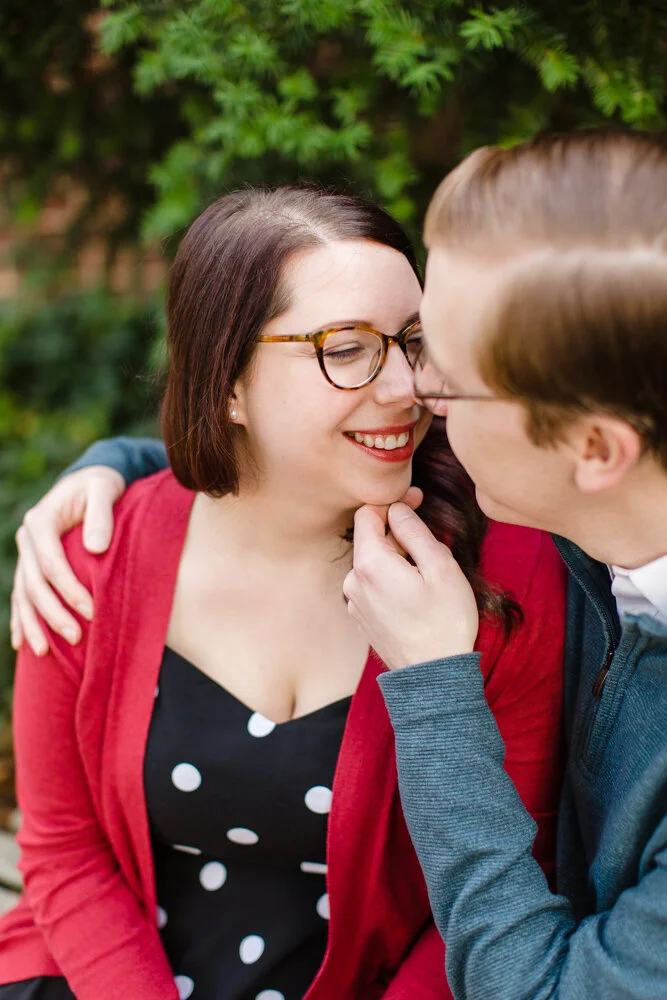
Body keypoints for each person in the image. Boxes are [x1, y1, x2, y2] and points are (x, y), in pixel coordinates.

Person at [2, 186, 566, 1000]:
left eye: (414, 341)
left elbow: (500, 888)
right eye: (346, 348)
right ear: (227, 382)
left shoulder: (501, 575)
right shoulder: (90, 558)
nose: (406, 386)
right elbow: (64, 850)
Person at [341, 129, 667, 998]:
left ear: (595, 449)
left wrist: (434, 685)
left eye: (448, 377)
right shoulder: (603, 513)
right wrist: (123, 469)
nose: (413, 391)